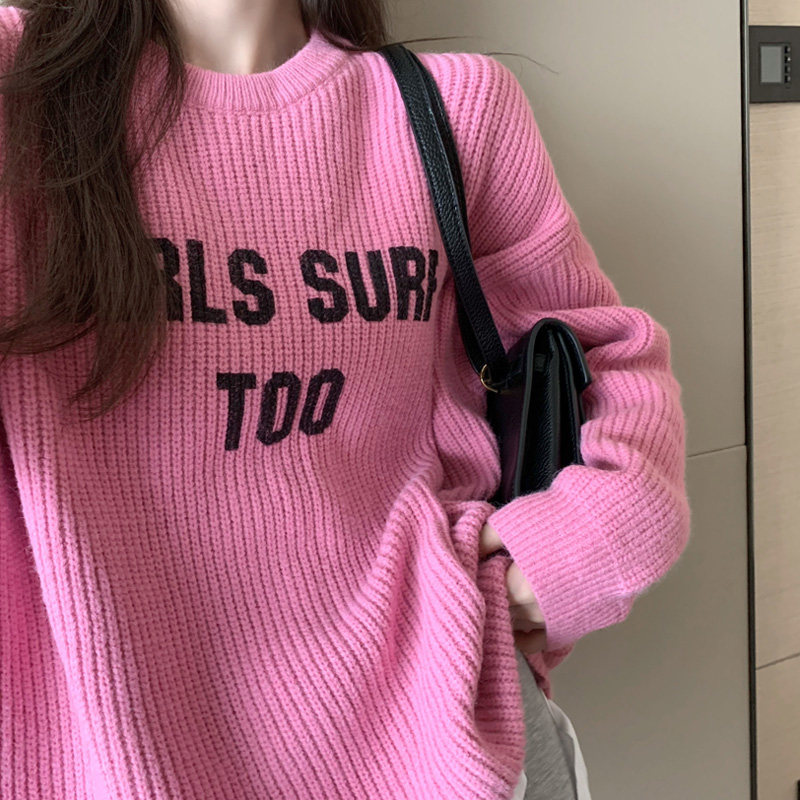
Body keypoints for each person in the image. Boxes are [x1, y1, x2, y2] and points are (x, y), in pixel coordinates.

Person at [0, 1, 691, 798]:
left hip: (451, 734)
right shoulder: (21, 80)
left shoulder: (453, 107)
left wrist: (584, 547)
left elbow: (605, 355)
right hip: (106, 754)